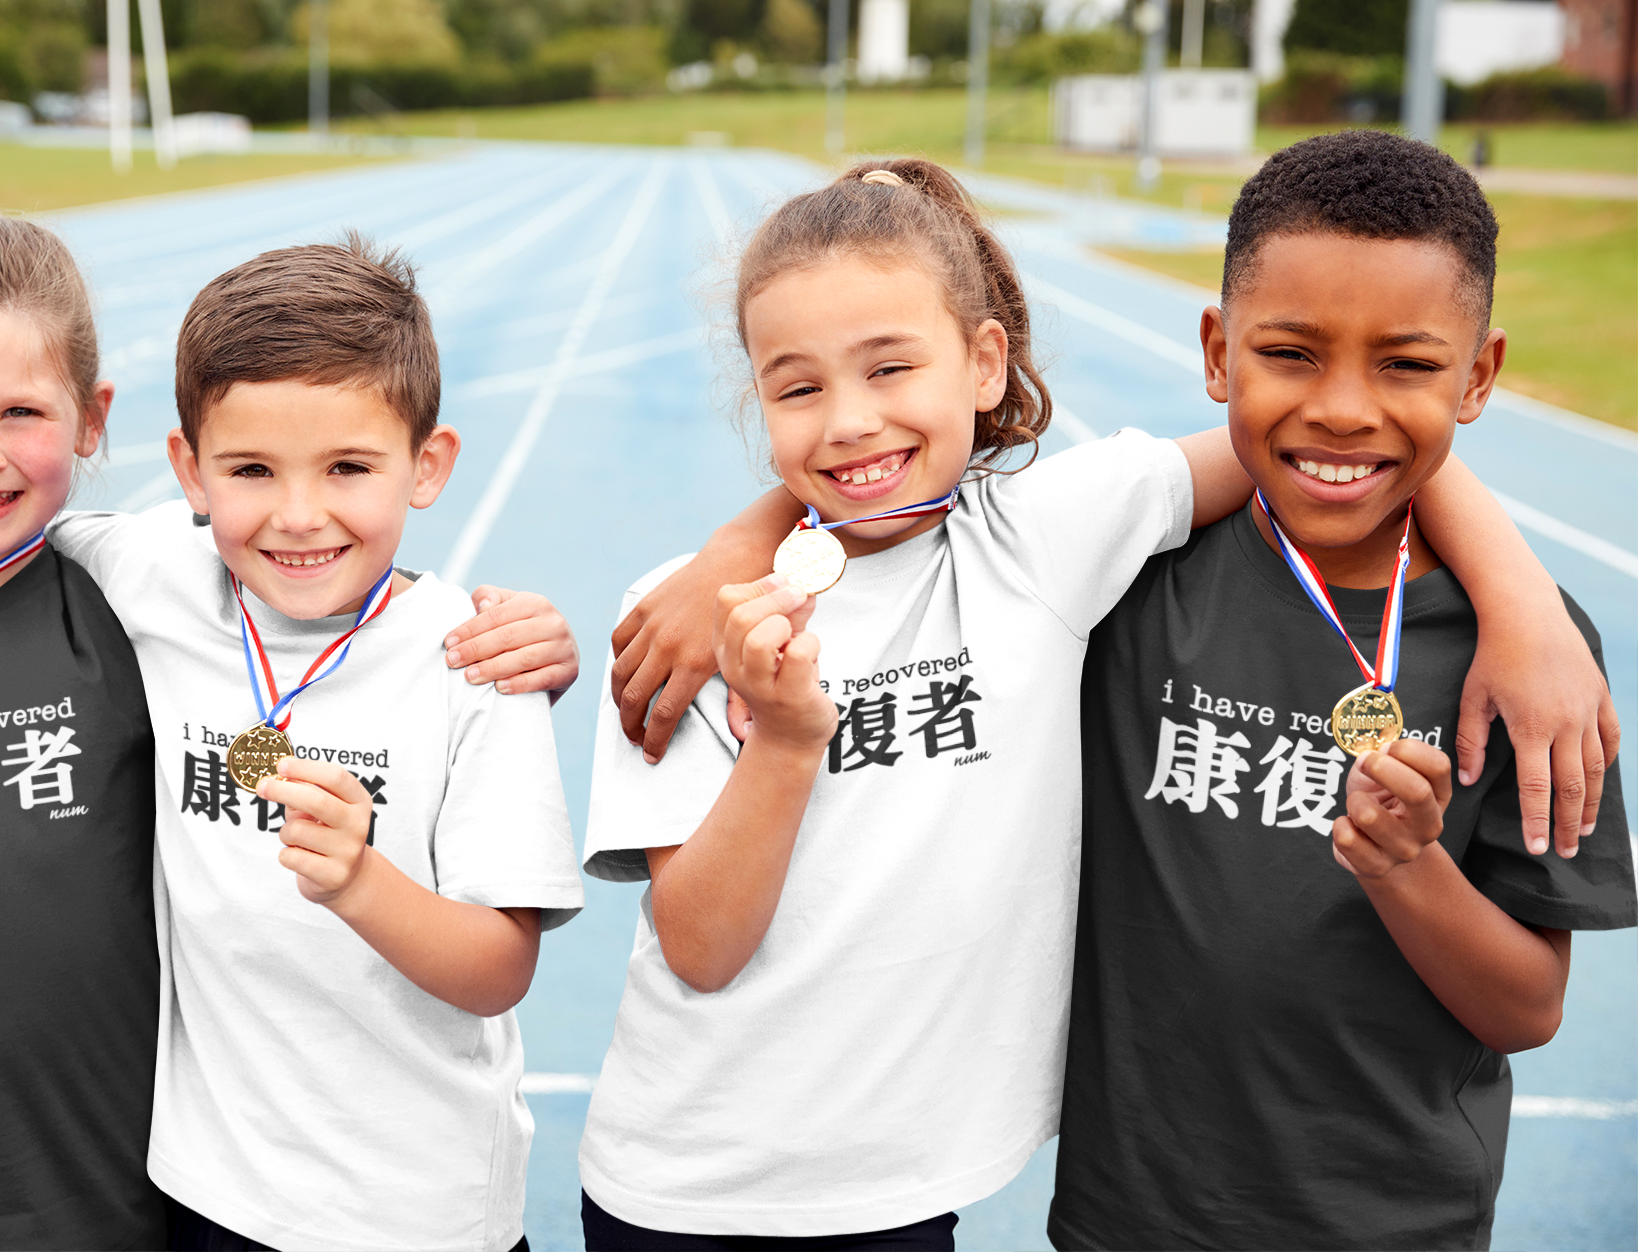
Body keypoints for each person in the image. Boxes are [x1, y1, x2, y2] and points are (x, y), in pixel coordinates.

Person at [580, 157, 1619, 1247]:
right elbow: (698, 944)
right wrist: (734, 574)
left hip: (930, 1196)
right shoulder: (688, 623)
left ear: (985, 364)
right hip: (701, 1186)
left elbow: (1323, 441)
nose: (848, 421)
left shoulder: (1046, 546)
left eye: (890, 368)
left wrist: (1521, 597)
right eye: (798, 388)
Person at [0, 223, 583, 1252]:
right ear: (190, 470)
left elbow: (501, 961)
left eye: (21, 411)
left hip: (317, 1206)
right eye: (253, 470)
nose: (297, 513)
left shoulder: (445, 657)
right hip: (90, 1194)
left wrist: (361, 874)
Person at [1047, 130, 1635, 1251]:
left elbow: (1528, 1007)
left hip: (1393, 1225)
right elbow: (918, 506)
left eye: (1407, 364)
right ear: (1218, 352)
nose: (1344, 409)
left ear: (1480, 375)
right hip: (1128, 1220)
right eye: (1292, 352)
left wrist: (1411, 868)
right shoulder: (1124, 582)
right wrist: (744, 549)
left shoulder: (1531, 660)